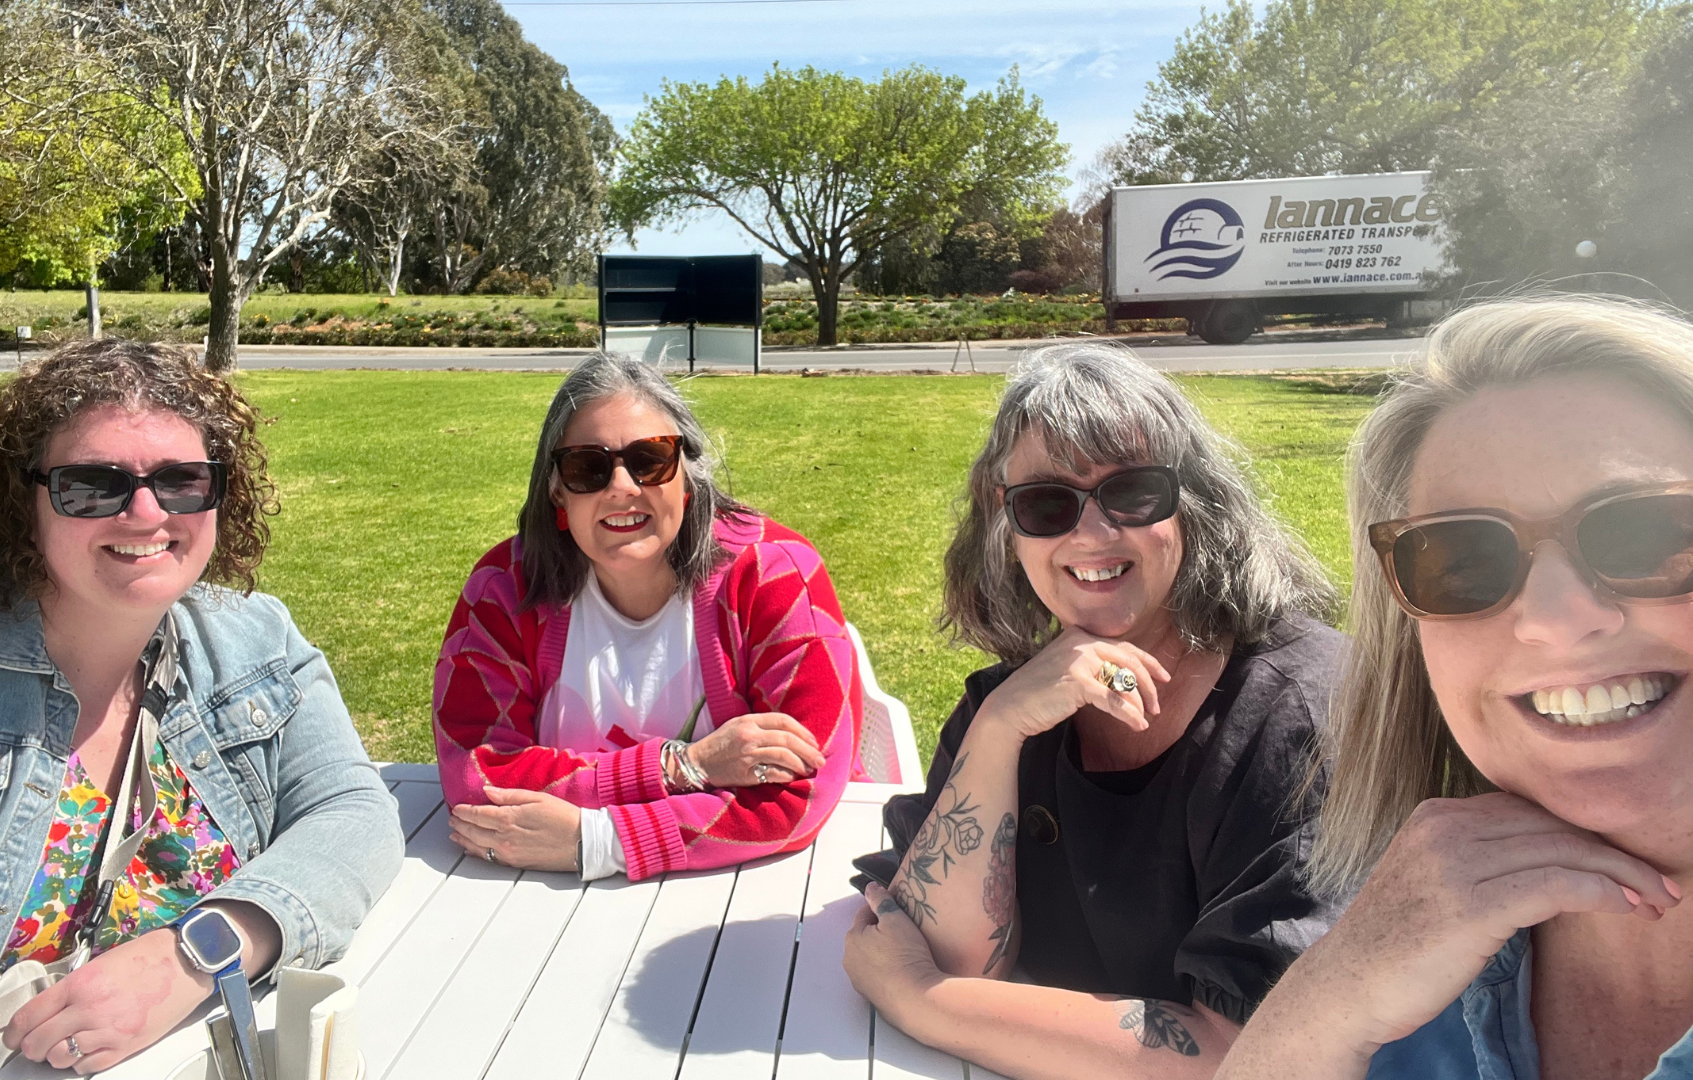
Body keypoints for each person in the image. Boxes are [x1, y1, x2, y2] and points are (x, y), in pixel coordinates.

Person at [0, 340, 403, 1073]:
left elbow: (352, 810)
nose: (145, 512)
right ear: (24, 501)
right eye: (92, 486)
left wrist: (199, 952)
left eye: (183, 480)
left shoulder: (254, 639)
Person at [1217, 298, 1693, 1080]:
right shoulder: (1398, 961)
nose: (1553, 619)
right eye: (1464, 561)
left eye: (1651, 535)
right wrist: (1321, 1006)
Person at [843, 343, 1345, 1079]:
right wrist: (999, 731)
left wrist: (923, 1000)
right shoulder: (1011, 700)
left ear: (1196, 504)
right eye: (1046, 504)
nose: (1092, 535)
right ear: (1006, 528)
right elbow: (950, 950)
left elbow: (1246, 1052)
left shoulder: (1297, 716)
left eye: (1132, 492)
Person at [433, 352, 861, 881]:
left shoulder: (775, 574)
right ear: (556, 491)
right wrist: (687, 766)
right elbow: (474, 777)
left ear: (687, 477)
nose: (622, 487)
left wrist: (599, 841)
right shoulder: (504, 588)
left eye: (650, 459)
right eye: (587, 467)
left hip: (760, 891)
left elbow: (799, 794)